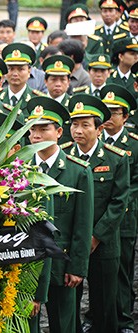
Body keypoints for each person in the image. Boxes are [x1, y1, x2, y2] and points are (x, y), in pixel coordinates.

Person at [61, 94, 130, 333]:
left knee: (104, 304)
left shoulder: (116, 158)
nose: (78, 131)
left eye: (85, 125)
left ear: (99, 129)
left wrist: (96, 236)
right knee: (69, 303)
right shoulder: (64, 157)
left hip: (104, 244)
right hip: (70, 244)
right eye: (74, 124)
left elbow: (119, 202)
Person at [27, 96, 94, 333]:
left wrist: (77, 267)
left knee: (64, 323)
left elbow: (83, 226)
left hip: (62, 263)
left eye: (43, 129)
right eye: (32, 129)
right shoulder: (18, 169)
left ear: (58, 132)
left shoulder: (78, 171)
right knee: (28, 323)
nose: (36, 136)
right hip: (28, 264)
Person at [98, 84, 138, 333]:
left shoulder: (133, 144)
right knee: (94, 271)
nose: (110, 117)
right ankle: (97, 315)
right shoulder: (93, 140)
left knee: (122, 270)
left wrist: (120, 202)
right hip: (94, 217)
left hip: (123, 217)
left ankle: (123, 319)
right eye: (106, 111)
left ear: (125, 116)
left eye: (116, 112)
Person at [0, 42, 44, 119]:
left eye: (21, 69)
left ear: (29, 71)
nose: (15, 74)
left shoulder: (39, 100)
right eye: (11, 69)